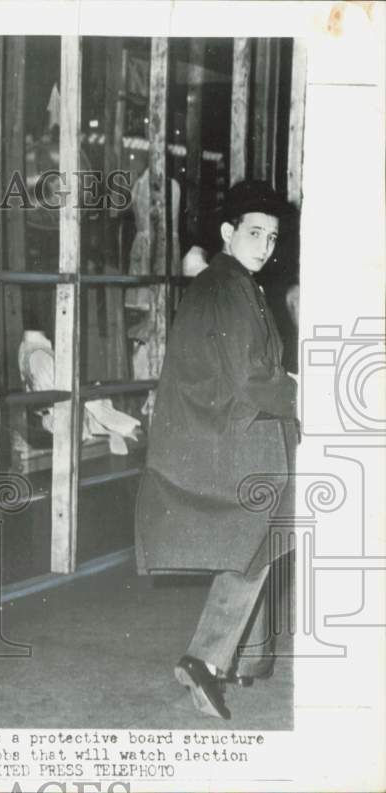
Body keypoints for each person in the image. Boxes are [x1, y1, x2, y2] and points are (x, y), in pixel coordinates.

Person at [135, 180, 298, 720]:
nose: (265, 244)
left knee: (265, 539)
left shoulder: (232, 282)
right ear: (229, 233)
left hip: (228, 429)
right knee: (257, 542)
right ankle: (205, 659)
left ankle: (247, 658)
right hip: (233, 436)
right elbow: (250, 377)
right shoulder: (230, 286)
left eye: (273, 236)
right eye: (255, 232)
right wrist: (301, 394)